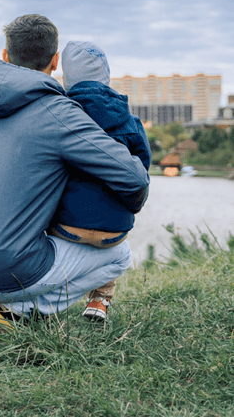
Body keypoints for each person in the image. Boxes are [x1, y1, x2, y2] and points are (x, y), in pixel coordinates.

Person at [0, 14, 150, 333]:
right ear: (55, 61)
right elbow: (133, 177)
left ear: (5, 55)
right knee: (118, 256)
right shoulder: (57, 112)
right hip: (6, 268)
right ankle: (18, 312)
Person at [47, 41, 151, 321]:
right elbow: (142, 169)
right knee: (108, 243)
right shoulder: (130, 121)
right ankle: (101, 300)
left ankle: (42, 301)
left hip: (66, 228)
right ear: (107, 76)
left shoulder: (61, 115)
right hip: (115, 232)